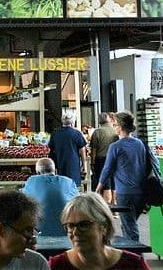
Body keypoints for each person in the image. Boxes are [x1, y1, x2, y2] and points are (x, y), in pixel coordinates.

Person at [49, 193, 151, 269]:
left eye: (84, 225)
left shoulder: (133, 265)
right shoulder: (56, 266)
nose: (75, 232)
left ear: (104, 227)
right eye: (70, 226)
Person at [96, 111, 150, 242]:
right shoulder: (140, 144)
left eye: (115, 125)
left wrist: (99, 188)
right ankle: (128, 253)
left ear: (120, 127)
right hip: (141, 192)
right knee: (128, 223)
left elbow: (107, 170)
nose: (114, 127)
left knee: (130, 227)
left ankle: (136, 257)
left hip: (125, 192)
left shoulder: (115, 147)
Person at [21, 157, 79, 237]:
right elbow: (78, 203)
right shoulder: (69, 181)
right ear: (55, 171)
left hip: (40, 236)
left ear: (37, 173)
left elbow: (23, 203)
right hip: (68, 234)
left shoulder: (32, 181)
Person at [48, 114, 88, 187]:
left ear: (62, 121)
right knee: (73, 187)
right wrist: (84, 166)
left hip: (59, 164)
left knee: (61, 186)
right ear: (72, 122)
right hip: (73, 165)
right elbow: (82, 150)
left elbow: (51, 150)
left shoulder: (55, 134)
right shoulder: (77, 134)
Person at [90, 112, 119, 201]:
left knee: (105, 183)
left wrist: (93, 162)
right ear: (108, 120)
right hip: (115, 159)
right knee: (114, 182)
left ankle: (107, 207)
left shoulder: (97, 132)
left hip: (101, 160)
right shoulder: (115, 131)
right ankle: (116, 207)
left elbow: (94, 149)